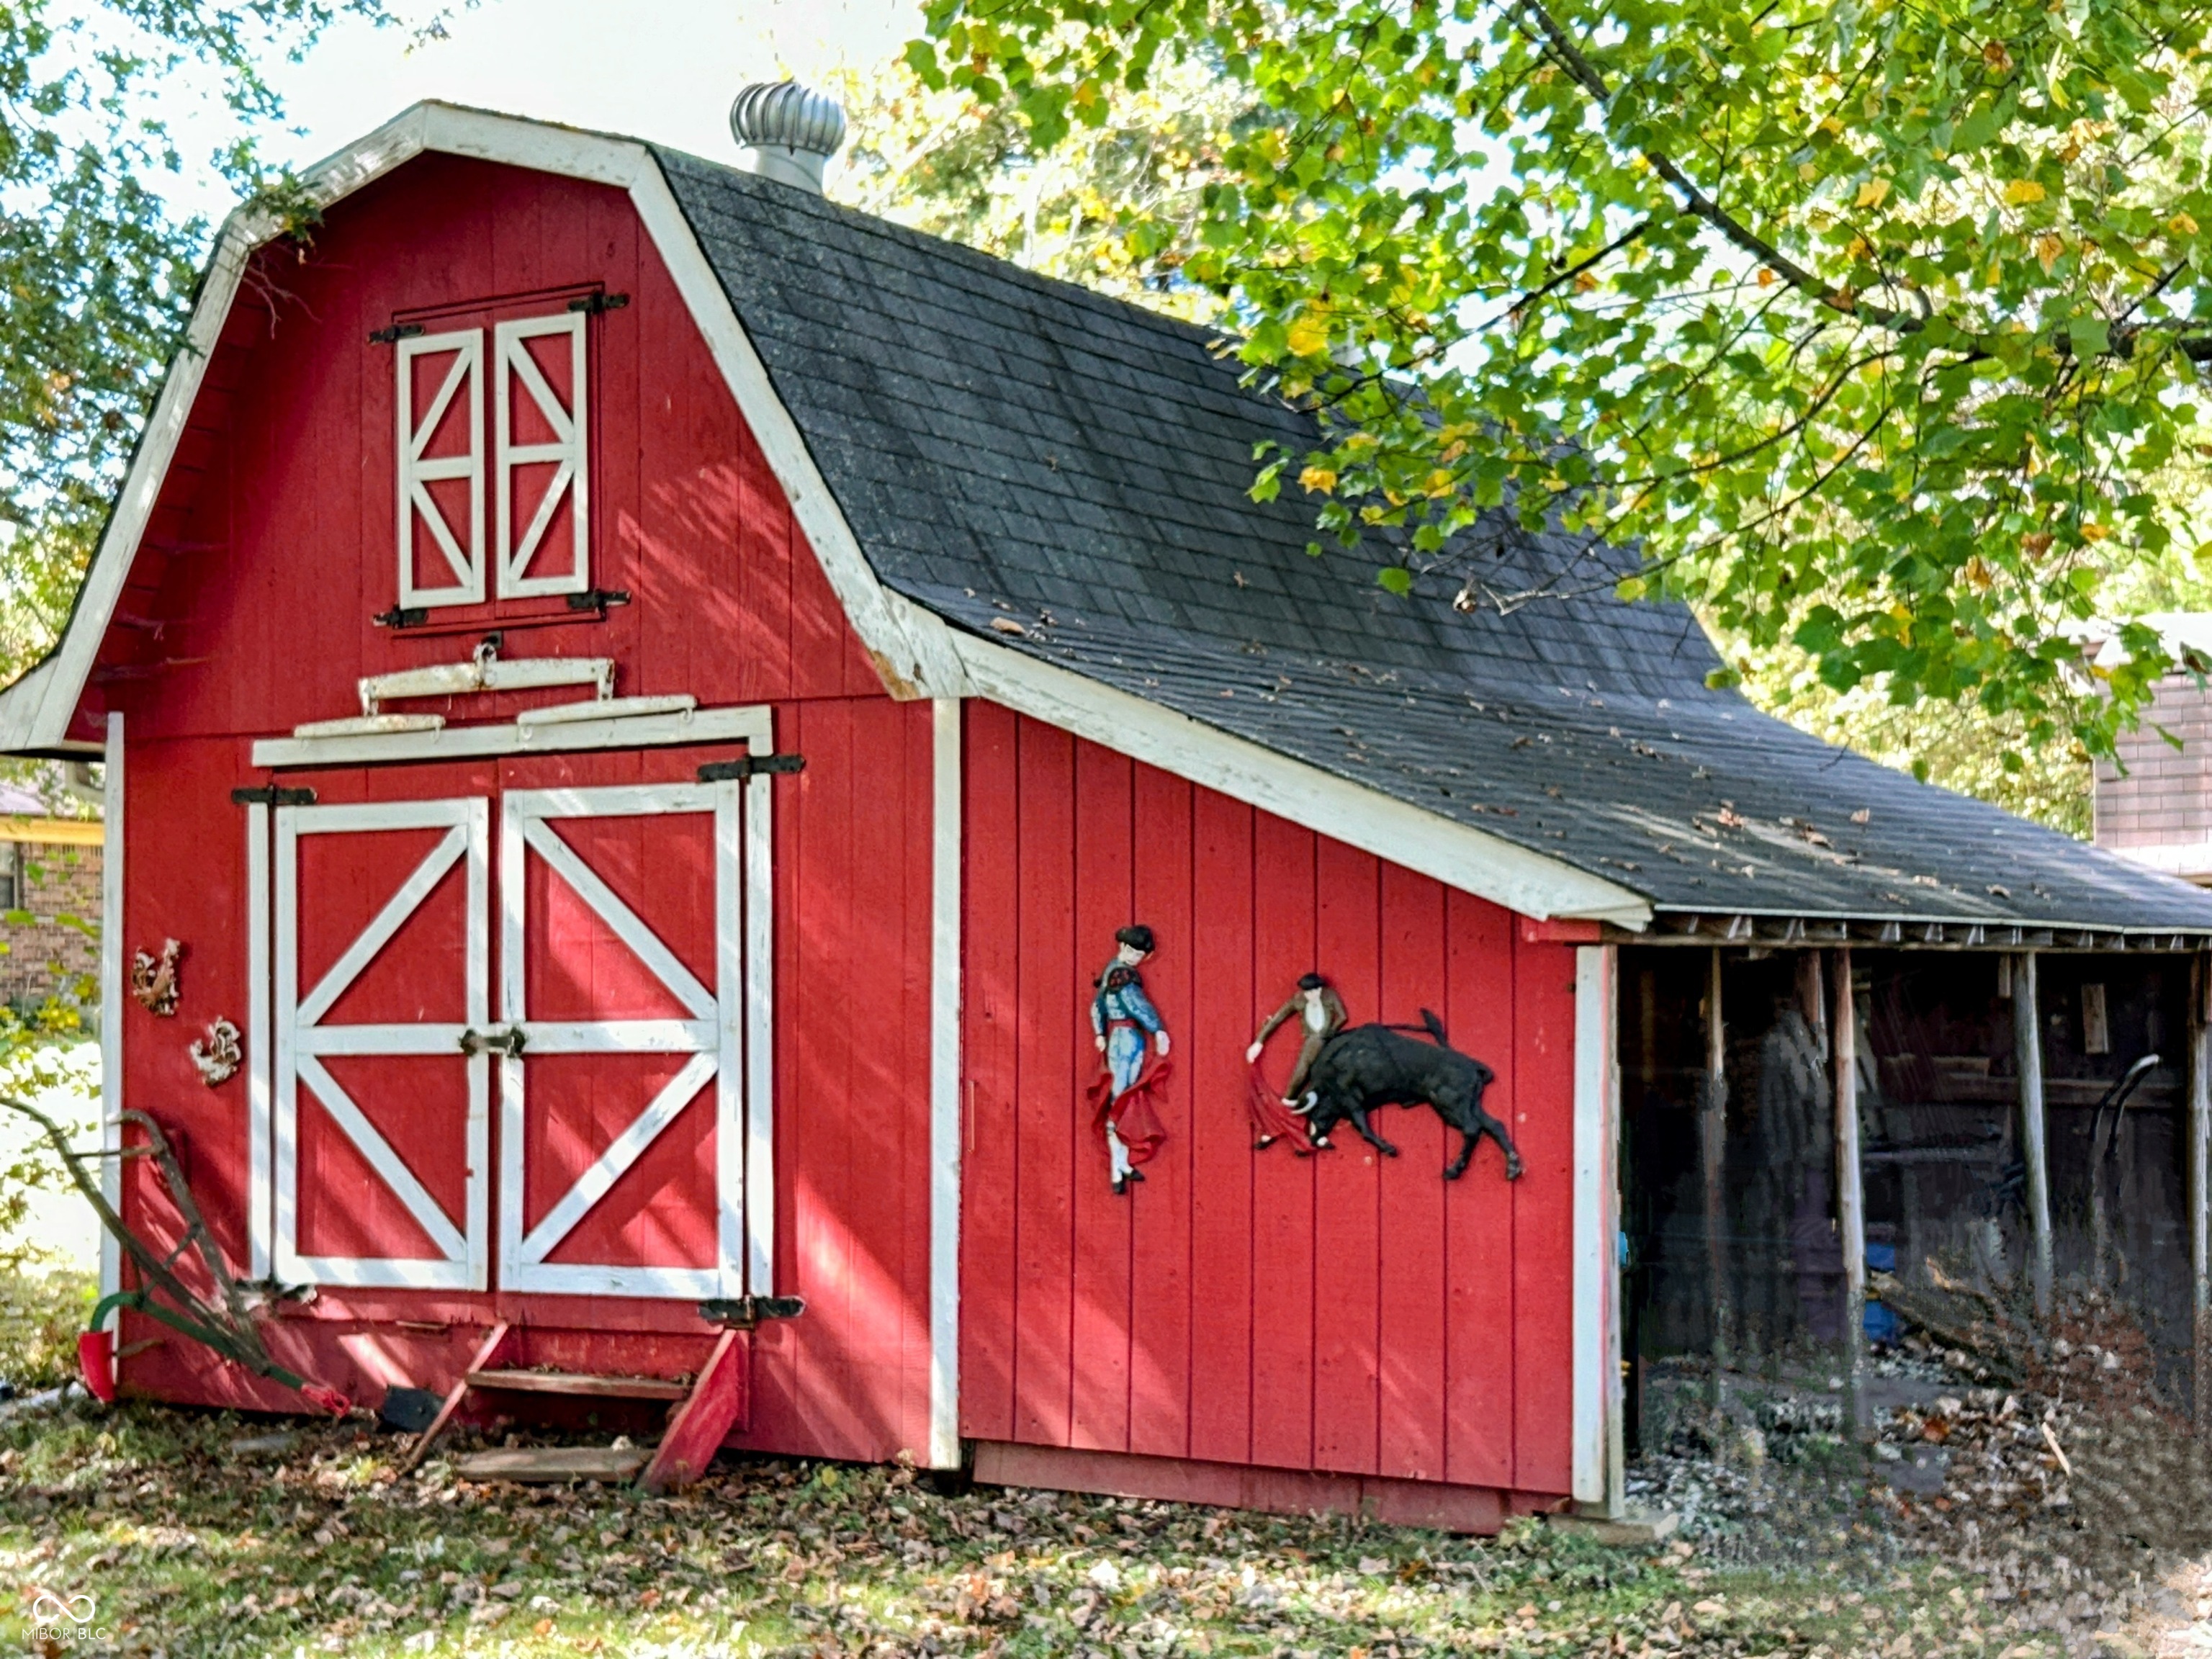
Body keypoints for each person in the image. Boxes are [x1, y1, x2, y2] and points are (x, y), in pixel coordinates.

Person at [1089, 925, 1170, 1194]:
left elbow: (1096, 1007)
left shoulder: (1110, 972)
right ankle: (1116, 1165)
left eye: (1138, 955)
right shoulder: (1123, 976)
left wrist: (1100, 1031)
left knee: (1125, 1098)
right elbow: (1136, 1005)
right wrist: (1157, 1028)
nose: (1132, 957)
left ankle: (1122, 1162)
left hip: (1124, 1036)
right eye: (1130, 951)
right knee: (1120, 1101)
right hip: (1125, 1037)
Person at [1246, 974, 1349, 1108]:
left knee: (1307, 1061)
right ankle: (1294, 1097)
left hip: (1326, 1038)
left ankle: (1291, 1097)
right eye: (1308, 992)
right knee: (1308, 1059)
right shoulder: (1298, 1000)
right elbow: (1277, 1019)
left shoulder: (1330, 995)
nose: (1312, 995)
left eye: (1315, 991)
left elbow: (1343, 1017)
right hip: (1313, 1040)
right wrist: (1259, 1042)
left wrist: (1331, 1031)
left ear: (1320, 990)